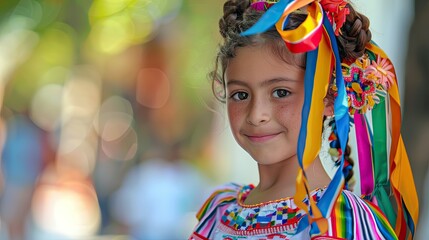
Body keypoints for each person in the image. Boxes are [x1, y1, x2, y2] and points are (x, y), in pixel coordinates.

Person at [190, 0, 419, 239]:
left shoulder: (341, 220)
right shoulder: (220, 211)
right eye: (241, 95)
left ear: (329, 97)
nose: (257, 115)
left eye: (281, 92)